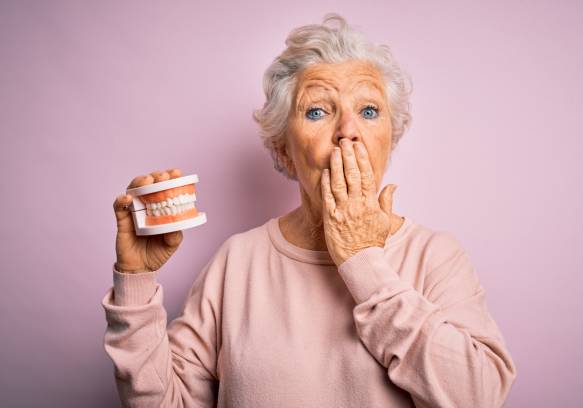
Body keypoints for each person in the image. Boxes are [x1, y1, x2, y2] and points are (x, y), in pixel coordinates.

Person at [101, 12, 517, 408]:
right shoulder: (237, 262)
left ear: (391, 139)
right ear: (283, 148)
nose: (348, 131)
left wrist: (364, 261)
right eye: (318, 111)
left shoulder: (435, 256)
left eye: (369, 111)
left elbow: (477, 397)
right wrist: (136, 283)